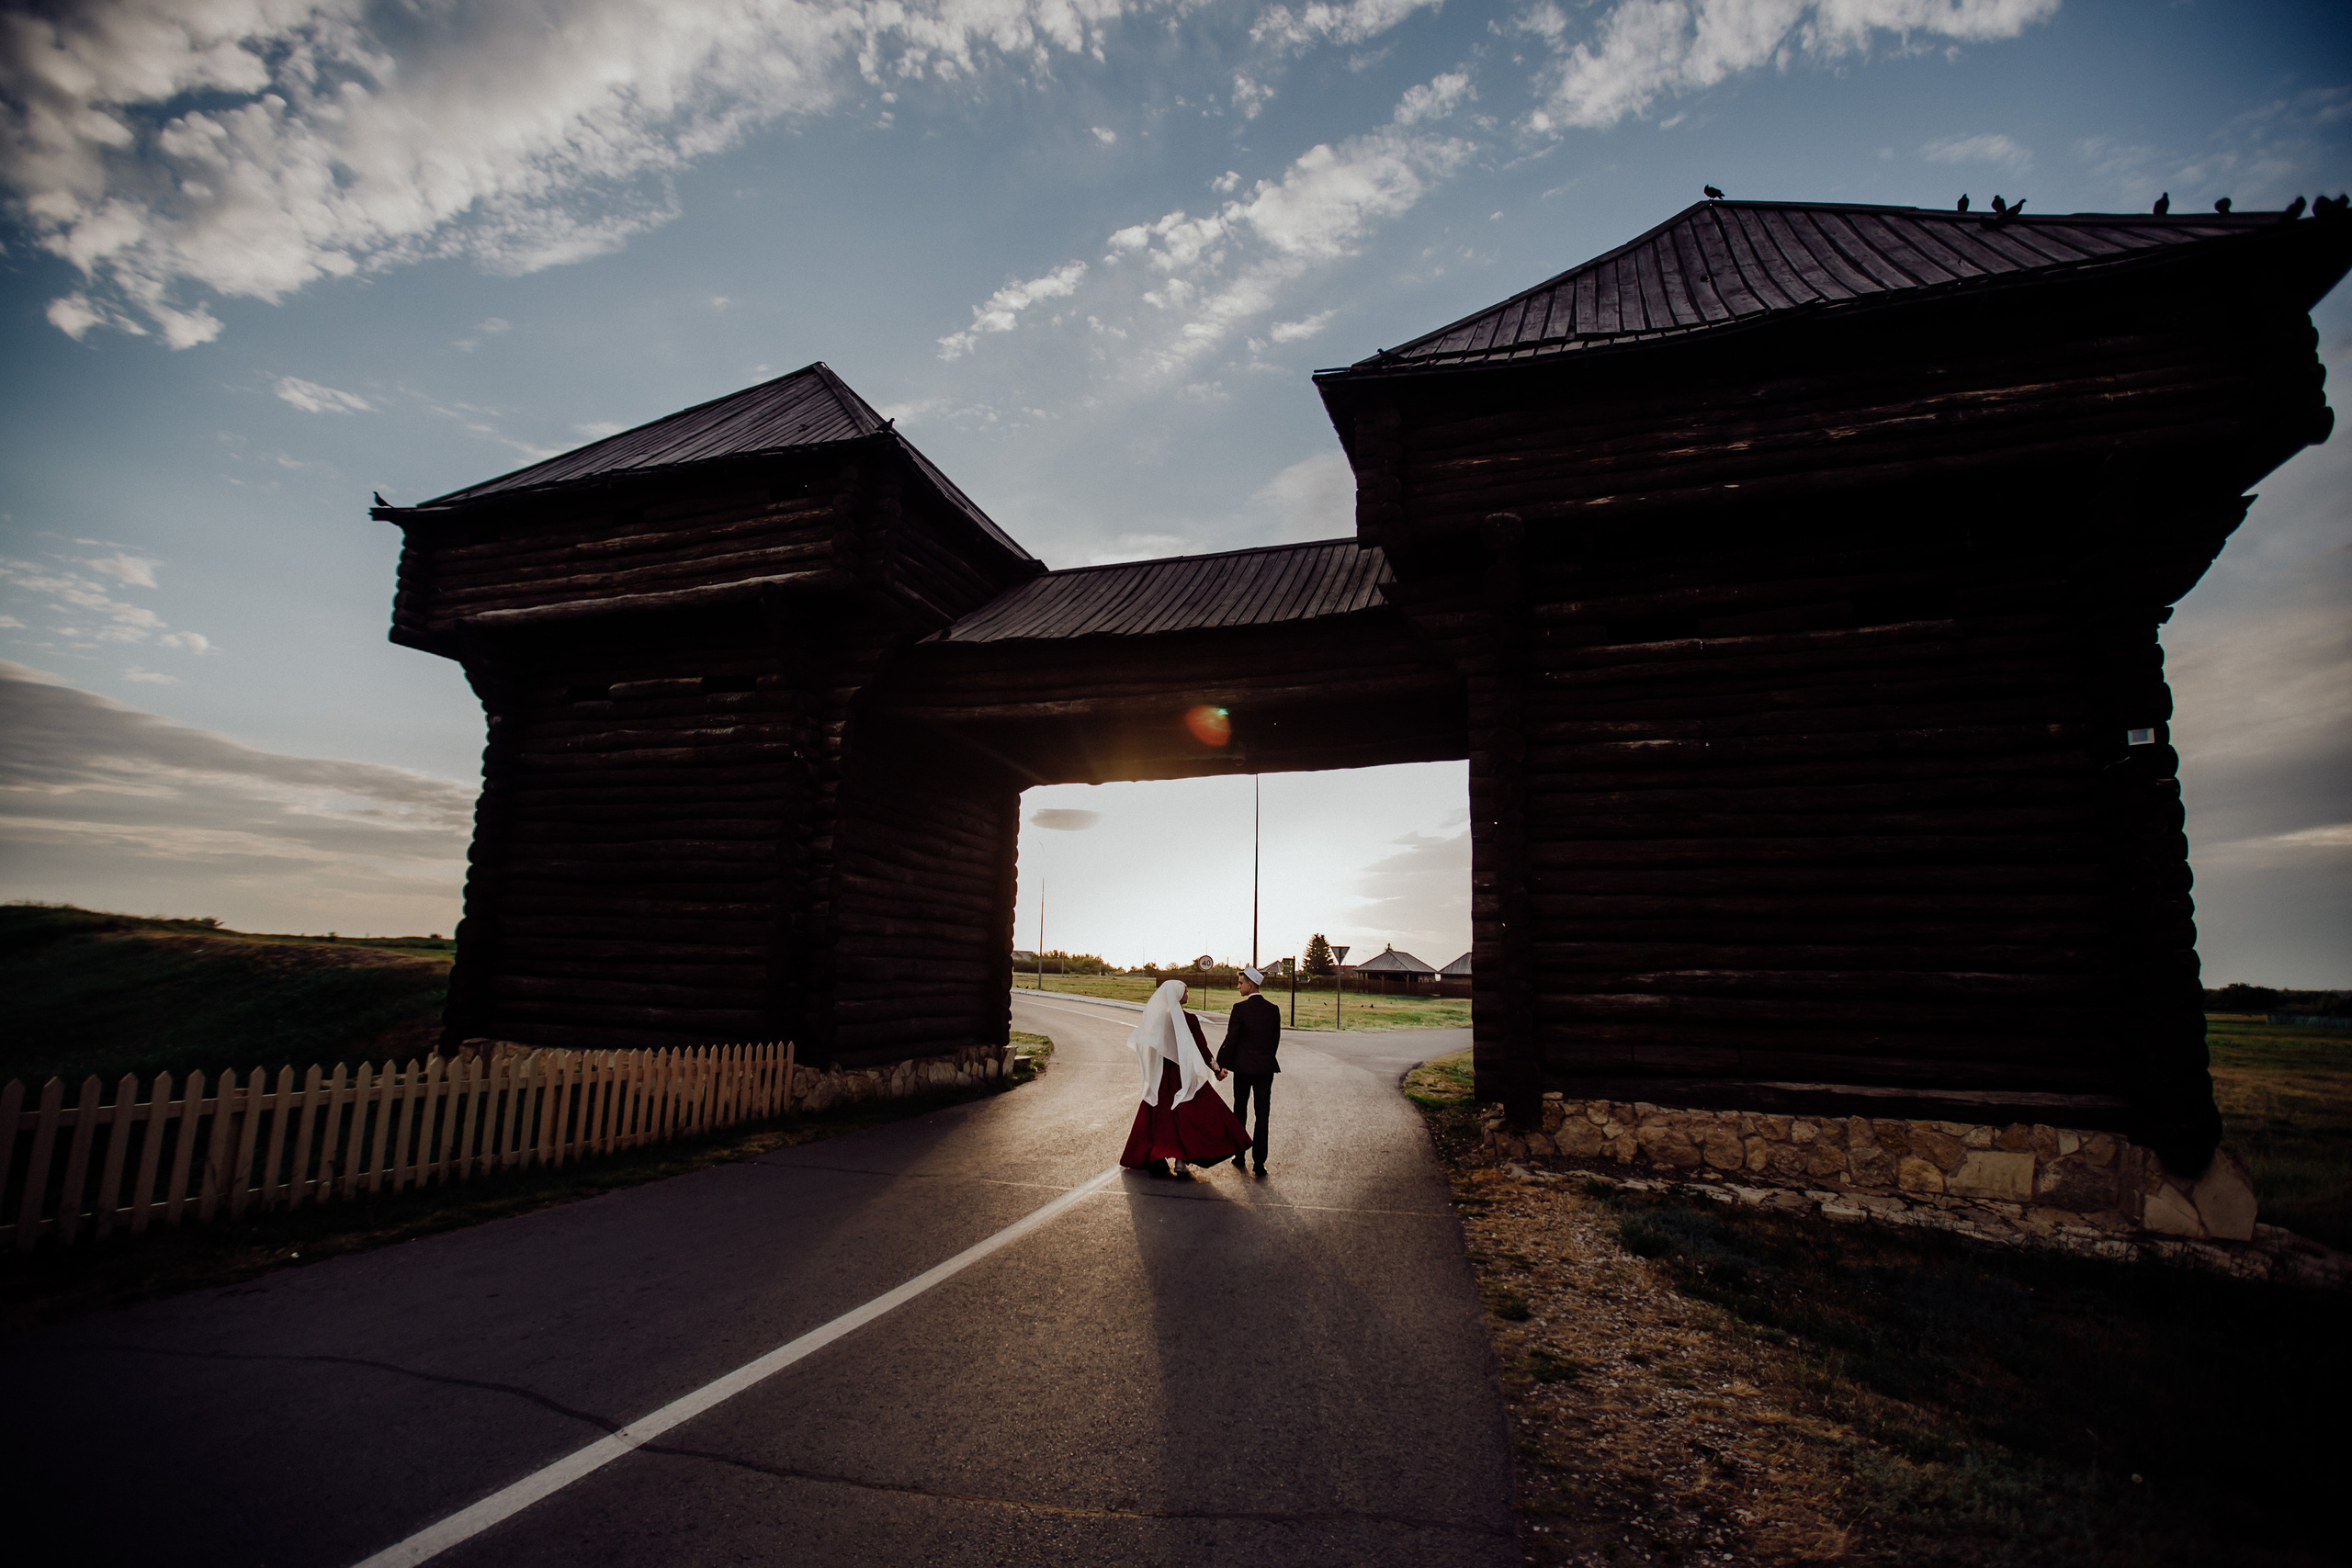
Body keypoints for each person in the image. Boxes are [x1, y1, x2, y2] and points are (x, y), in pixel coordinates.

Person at [1121, 978, 1252, 1178]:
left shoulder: (1159, 1020)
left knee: (1160, 1115)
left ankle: (1158, 1157)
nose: (1188, 994)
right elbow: (1202, 1048)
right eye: (1185, 991)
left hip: (1162, 1076)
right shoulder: (1190, 1019)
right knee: (1190, 1115)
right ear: (1178, 996)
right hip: (1184, 1076)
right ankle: (1182, 1161)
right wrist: (1217, 1069)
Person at [1216, 965, 1283, 1177]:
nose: (1238, 987)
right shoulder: (1273, 1010)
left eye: (1241, 983)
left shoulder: (1240, 1009)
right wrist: (1264, 1058)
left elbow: (1231, 1039)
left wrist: (1221, 1063)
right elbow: (1275, 1042)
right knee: (1263, 1113)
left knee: (1240, 1111)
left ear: (1250, 985)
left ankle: (1239, 1154)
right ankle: (1260, 1162)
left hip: (1243, 1069)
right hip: (1265, 1069)